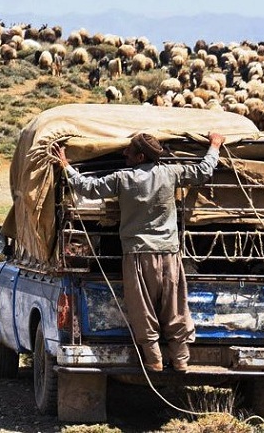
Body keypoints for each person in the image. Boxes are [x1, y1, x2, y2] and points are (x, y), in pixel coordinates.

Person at [51, 131, 226, 373]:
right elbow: (203, 171)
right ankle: (181, 359)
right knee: (175, 307)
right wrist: (215, 145)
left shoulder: (123, 179)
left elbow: (88, 188)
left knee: (142, 309)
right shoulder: (171, 173)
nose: (124, 153)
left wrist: (67, 166)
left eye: (129, 151)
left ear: (140, 156)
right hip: (169, 254)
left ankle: (153, 360)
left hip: (137, 256)